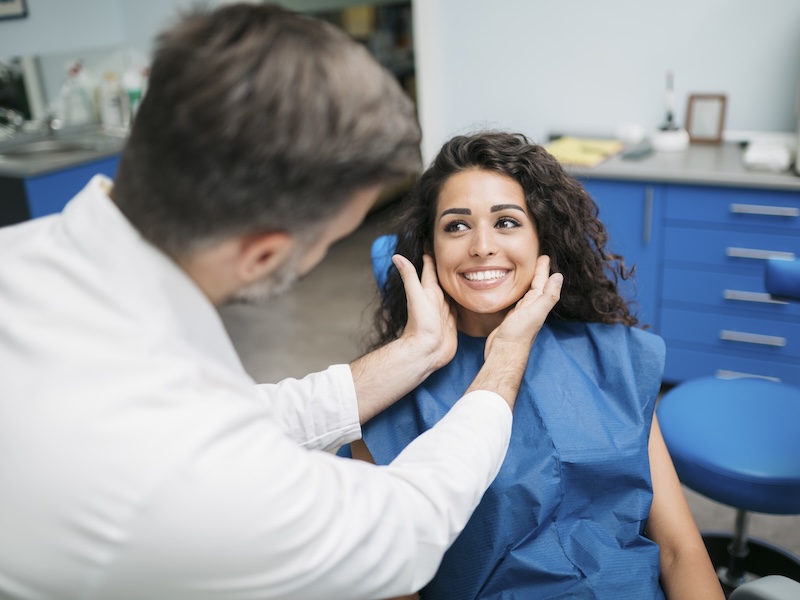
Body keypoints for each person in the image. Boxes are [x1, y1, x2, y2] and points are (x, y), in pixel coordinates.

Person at [0, 7, 564, 600]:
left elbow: (241, 412)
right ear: (265, 255)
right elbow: (404, 533)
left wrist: (415, 352)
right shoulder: (174, 466)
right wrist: (503, 364)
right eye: (328, 240)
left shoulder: (27, 259)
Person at [345, 132, 725, 599]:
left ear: (543, 238)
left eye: (506, 222)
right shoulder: (387, 398)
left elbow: (678, 550)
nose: (482, 246)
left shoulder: (615, 358)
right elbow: (395, 587)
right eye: (456, 226)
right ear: (429, 250)